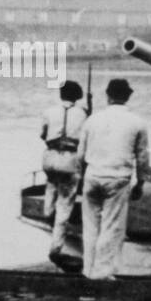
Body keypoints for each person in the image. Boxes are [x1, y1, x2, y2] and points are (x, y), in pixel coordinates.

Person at [76, 78, 151, 280]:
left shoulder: (92, 120)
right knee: (111, 227)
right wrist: (141, 182)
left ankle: (88, 269)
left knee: (90, 226)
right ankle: (102, 273)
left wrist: (80, 178)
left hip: (92, 176)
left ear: (108, 95)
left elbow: (80, 155)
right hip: (118, 178)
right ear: (128, 96)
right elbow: (143, 158)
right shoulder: (138, 122)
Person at [39, 80, 88, 270]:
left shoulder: (49, 111)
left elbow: (42, 134)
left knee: (51, 186)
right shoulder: (82, 114)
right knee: (65, 206)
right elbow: (85, 138)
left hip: (50, 157)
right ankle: (56, 248)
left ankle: (46, 214)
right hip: (69, 159)